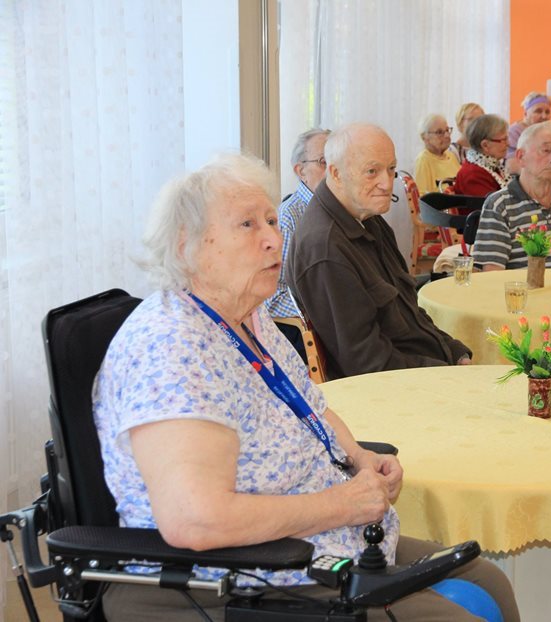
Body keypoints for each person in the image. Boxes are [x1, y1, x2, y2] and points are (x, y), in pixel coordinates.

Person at [92, 153, 518, 621]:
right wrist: (338, 505)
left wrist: (359, 457)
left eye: (272, 221)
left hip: (327, 541)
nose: (273, 239)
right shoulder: (173, 348)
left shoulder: (249, 318)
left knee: (486, 580)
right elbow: (195, 521)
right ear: (185, 244)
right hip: (240, 577)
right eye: (247, 225)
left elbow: (312, 408)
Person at [288, 124, 473, 379]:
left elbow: (409, 310)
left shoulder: (366, 215)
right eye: (371, 171)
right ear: (336, 173)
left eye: (391, 169)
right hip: (391, 388)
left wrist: (454, 351)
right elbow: (367, 364)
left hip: (421, 367)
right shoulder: (325, 248)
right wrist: (446, 372)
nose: (386, 184)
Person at [473, 121, 551, 270]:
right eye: (546, 150)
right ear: (521, 157)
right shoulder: (500, 205)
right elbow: (492, 273)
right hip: (526, 285)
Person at [265, 128, 330, 319]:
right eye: (323, 162)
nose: (333, 170)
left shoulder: (345, 210)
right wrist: (325, 310)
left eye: (336, 161)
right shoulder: (288, 218)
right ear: (301, 171)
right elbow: (274, 296)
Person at [506, 91, 551, 176]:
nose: (544, 116)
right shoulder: (514, 132)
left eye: (547, 112)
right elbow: (511, 165)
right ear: (525, 113)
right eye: (538, 111)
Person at [449, 113, 510, 196]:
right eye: (504, 140)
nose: (508, 144)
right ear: (485, 145)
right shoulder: (473, 175)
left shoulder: (491, 165)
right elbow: (493, 203)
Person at [413, 113, 462, 194]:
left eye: (447, 130)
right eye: (439, 132)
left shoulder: (451, 156)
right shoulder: (423, 160)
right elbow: (421, 197)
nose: (447, 135)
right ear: (424, 137)